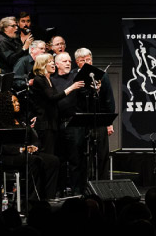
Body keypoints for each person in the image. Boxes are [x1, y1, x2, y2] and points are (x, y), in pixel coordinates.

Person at [0, 92, 60, 200]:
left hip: (25, 154)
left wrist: (34, 146)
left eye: (17, 101)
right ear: (6, 105)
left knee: (53, 160)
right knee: (34, 161)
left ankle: (48, 197)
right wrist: (21, 149)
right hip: (7, 157)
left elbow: (34, 138)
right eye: (13, 102)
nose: (17, 103)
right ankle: (33, 200)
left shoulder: (20, 120)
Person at [29, 53, 83, 155]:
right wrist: (72, 87)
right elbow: (52, 98)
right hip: (45, 123)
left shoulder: (48, 79)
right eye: (50, 62)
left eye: (53, 62)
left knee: (54, 154)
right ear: (42, 65)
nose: (53, 64)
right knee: (47, 154)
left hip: (52, 122)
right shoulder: (39, 79)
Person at [74, 47, 116, 179]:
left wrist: (109, 123)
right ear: (77, 62)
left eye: (88, 59)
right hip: (81, 121)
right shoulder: (73, 76)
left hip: (100, 120)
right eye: (82, 60)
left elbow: (109, 99)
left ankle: (102, 185)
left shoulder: (102, 75)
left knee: (102, 154)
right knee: (83, 154)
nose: (87, 62)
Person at [51, 52, 89, 193]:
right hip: (58, 124)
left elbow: (87, 93)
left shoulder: (75, 77)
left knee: (76, 160)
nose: (68, 63)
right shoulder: (52, 80)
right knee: (59, 160)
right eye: (64, 61)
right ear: (57, 64)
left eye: (69, 61)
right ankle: (59, 190)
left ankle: (77, 191)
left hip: (75, 124)